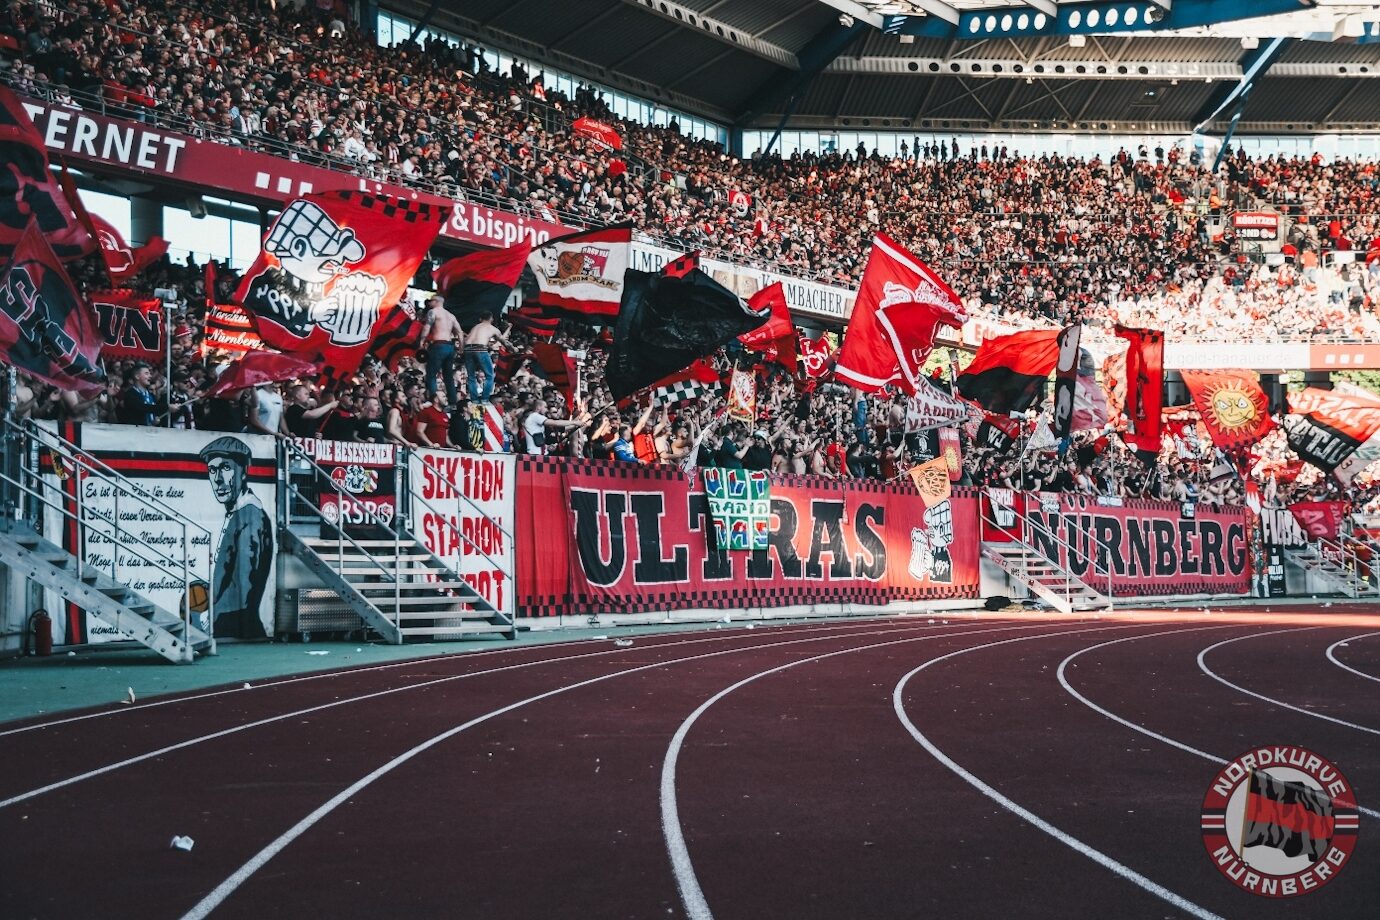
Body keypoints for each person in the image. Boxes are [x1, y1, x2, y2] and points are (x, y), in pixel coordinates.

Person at [198, 436, 273, 640]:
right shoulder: (238, 513)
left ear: (243, 471)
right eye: (212, 470)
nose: (218, 478)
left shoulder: (249, 515)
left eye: (225, 468)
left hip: (231, 622)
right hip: (228, 621)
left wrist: (211, 614)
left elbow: (245, 583)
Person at [417, 295, 462, 405]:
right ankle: (452, 403)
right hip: (450, 346)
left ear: (437, 301)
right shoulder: (451, 316)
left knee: (431, 374)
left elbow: (427, 327)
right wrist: (461, 347)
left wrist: (421, 341)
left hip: (438, 345)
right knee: (448, 377)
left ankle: (433, 400)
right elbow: (460, 332)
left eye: (431, 300)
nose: (429, 303)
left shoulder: (433, 312)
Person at [463, 311, 515, 402]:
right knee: (490, 375)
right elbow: (504, 342)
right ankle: (484, 399)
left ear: (480, 319)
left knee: (471, 376)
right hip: (480, 349)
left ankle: (474, 399)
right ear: (491, 319)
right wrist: (513, 349)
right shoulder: (492, 329)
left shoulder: (475, 327)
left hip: (467, 349)